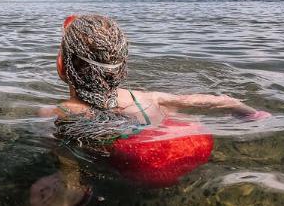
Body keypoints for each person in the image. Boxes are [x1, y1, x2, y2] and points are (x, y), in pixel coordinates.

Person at [31, 14, 270, 205]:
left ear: (61, 66)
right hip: (193, 143)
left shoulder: (56, 112)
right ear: (120, 68)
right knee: (172, 112)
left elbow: (66, 156)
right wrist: (245, 110)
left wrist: (69, 183)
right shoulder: (144, 96)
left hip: (143, 165)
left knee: (39, 189)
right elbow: (212, 100)